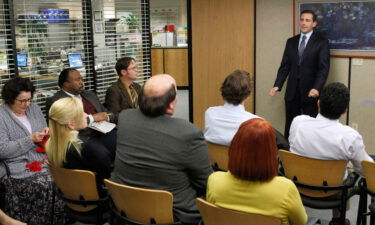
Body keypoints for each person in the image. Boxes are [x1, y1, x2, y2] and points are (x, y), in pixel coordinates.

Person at [112, 74, 213, 225]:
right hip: (172, 215)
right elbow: (206, 183)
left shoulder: (125, 118)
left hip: (126, 206)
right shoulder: (188, 133)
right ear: (171, 105)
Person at [289, 82, 374, 225]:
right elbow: (365, 171)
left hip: (299, 187)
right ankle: (337, 220)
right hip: (333, 193)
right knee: (347, 176)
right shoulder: (350, 137)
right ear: (344, 111)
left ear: (318, 103)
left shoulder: (298, 123)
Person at [206, 118, 307, 225]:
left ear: (235, 147)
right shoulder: (286, 189)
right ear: (271, 153)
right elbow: (301, 222)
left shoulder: (214, 181)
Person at [0, 77, 63, 224]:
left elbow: (43, 135)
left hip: (42, 161)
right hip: (18, 167)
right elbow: (2, 150)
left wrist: (46, 134)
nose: (27, 104)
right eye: (22, 101)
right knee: (46, 185)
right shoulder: (1, 116)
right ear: (10, 99)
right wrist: (30, 139)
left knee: (63, 180)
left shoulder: (34, 108)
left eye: (29, 99)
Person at [269, 9, 330, 138]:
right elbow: (285, 66)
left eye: (307, 20)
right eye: (302, 20)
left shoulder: (322, 42)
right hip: (292, 92)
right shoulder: (291, 41)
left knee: (309, 127)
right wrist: (277, 85)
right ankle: (287, 154)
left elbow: (323, 68)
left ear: (314, 24)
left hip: (311, 92)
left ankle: (307, 155)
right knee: (290, 125)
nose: (303, 23)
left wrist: (317, 88)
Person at [205, 69, 289, 149]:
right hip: (241, 163)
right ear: (248, 95)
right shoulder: (256, 122)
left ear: (223, 91)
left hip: (216, 163)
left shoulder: (210, 113)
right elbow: (284, 145)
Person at [46, 68, 116, 162]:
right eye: (77, 80)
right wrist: (93, 118)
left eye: (82, 79)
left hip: (104, 131)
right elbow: (67, 124)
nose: (81, 82)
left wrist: (106, 117)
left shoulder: (90, 94)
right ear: (66, 84)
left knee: (125, 141)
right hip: (82, 137)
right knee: (102, 155)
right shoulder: (57, 101)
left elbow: (107, 112)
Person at [46, 97, 111, 195]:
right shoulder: (88, 148)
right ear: (71, 125)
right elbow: (106, 174)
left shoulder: (51, 144)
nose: (87, 115)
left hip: (70, 195)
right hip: (94, 199)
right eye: (82, 113)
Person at [105, 57, 142, 123]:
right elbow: (115, 116)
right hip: (127, 125)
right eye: (133, 68)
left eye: (136, 67)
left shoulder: (137, 87)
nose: (137, 70)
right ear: (123, 72)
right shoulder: (113, 90)